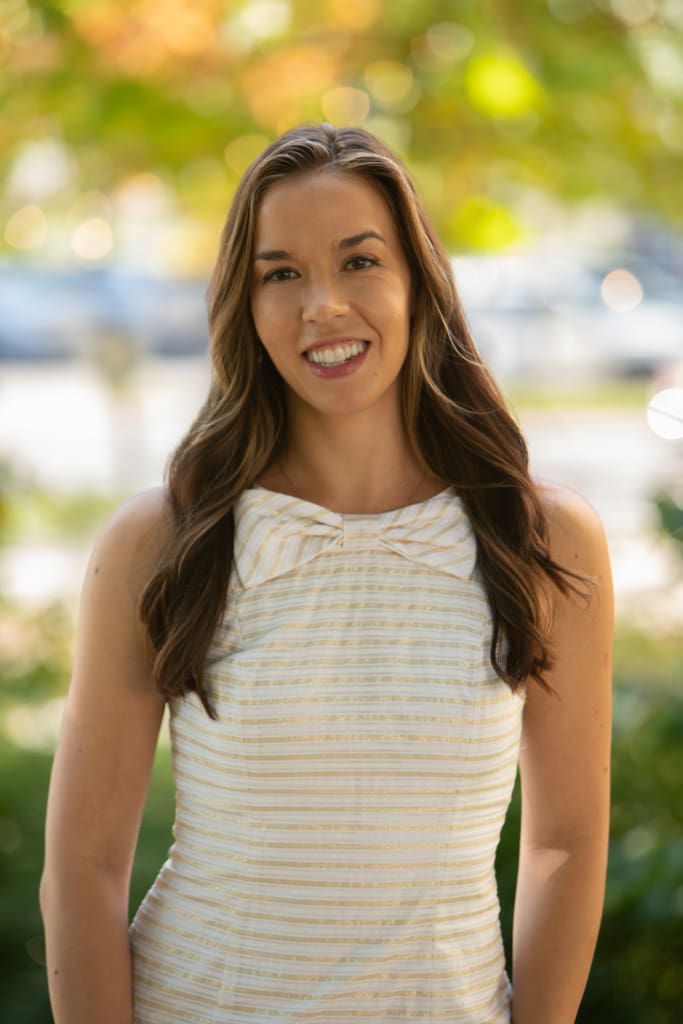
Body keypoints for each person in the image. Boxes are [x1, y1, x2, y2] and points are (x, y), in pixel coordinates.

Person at [40, 124, 613, 1024]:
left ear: (418, 282)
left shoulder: (542, 539)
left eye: (358, 262)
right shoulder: (166, 540)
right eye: (281, 274)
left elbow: (566, 846)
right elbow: (82, 867)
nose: (322, 306)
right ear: (246, 303)